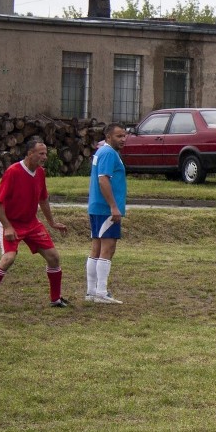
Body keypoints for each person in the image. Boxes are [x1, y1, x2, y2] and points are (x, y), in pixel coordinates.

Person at [0, 137, 69, 309]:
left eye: (45, 153)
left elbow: (43, 199)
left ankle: (55, 299)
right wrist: (8, 226)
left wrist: (52, 222)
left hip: (31, 223)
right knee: (8, 258)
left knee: (54, 257)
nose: (45, 157)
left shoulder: (40, 172)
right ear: (29, 154)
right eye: (41, 153)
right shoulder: (13, 171)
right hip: (11, 223)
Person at [86, 123, 128, 304]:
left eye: (124, 136)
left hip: (97, 206)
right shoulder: (109, 153)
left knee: (96, 246)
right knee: (108, 247)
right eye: (119, 136)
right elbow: (103, 180)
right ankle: (101, 292)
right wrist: (113, 206)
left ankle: (91, 291)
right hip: (105, 209)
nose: (123, 139)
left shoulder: (102, 152)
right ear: (109, 137)